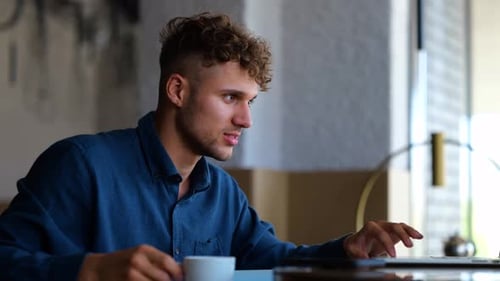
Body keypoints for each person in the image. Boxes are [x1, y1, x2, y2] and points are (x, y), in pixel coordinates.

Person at [0, 12, 423, 281]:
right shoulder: (80, 164)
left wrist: (344, 250)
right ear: (178, 90)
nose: (246, 120)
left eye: (250, 101)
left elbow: (273, 260)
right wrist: (88, 270)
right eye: (230, 98)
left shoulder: (223, 194)